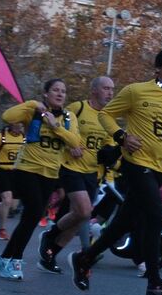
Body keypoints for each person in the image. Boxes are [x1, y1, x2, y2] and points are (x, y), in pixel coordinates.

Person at [66, 49, 162, 295]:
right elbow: (106, 114)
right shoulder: (136, 91)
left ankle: (84, 258)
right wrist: (121, 136)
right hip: (136, 162)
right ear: (158, 68)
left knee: (124, 222)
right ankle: (154, 283)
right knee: (155, 216)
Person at [0, 82, 84, 280]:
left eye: (63, 91)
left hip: (50, 173)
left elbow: (75, 142)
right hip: (27, 169)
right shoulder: (33, 111)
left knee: (31, 218)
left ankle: (4, 258)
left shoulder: (69, 117)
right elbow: (7, 117)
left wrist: (55, 126)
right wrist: (32, 104)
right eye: (55, 90)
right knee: (34, 212)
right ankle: (15, 259)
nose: (60, 94)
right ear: (45, 93)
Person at [37, 76, 120, 272]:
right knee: (84, 212)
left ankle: (49, 256)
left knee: (79, 218)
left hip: (93, 172)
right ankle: (50, 234)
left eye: (112, 89)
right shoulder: (77, 108)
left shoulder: (108, 117)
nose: (110, 92)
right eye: (106, 88)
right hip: (70, 167)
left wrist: (111, 154)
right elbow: (58, 128)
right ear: (94, 91)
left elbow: (108, 146)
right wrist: (70, 144)